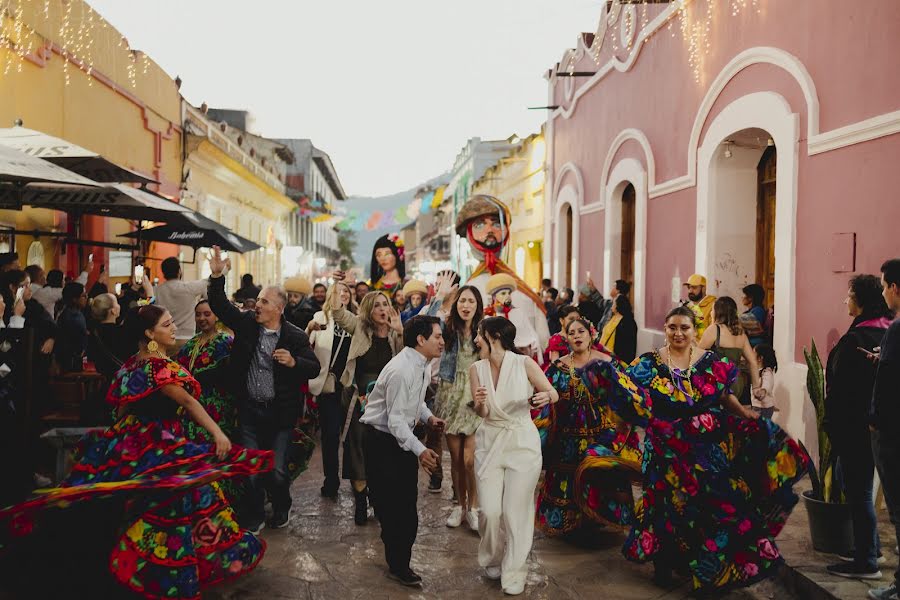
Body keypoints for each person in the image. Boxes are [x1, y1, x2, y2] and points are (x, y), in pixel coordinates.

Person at [0, 305, 273, 599]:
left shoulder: (133, 364)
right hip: (160, 443)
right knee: (174, 504)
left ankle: (121, 561)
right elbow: (189, 403)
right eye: (167, 325)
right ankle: (155, 569)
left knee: (130, 500)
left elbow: (122, 408)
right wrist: (218, 434)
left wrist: (119, 440)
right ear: (150, 333)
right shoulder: (159, 367)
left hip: (131, 441)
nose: (173, 329)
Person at [585, 306, 808, 592]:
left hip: (703, 448)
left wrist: (745, 415)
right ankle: (664, 565)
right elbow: (633, 400)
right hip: (663, 449)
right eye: (673, 327)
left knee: (709, 505)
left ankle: (704, 567)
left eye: (684, 328)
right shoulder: (648, 364)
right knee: (664, 507)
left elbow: (725, 397)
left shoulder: (710, 362)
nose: (678, 333)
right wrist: (616, 436)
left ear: (695, 330)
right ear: (665, 329)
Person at [207, 246, 320, 533]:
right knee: (251, 469)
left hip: (281, 415)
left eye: (264, 301)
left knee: (278, 470)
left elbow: (314, 367)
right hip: (250, 411)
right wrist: (217, 275)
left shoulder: (294, 335)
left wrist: (294, 362)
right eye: (257, 300)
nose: (257, 305)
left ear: (279, 309)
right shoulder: (247, 324)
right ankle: (255, 514)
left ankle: (282, 504)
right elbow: (220, 305)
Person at [469, 317, 557, 595]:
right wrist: (480, 404)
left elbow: (551, 392)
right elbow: (481, 413)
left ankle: (515, 572)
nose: (475, 340)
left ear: (493, 336)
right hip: (490, 441)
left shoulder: (525, 364)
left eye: (479, 335)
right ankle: (492, 558)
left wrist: (547, 397)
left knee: (515, 511)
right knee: (490, 511)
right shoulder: (475, 369)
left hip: (522, 441)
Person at [536, 318, 642, 538]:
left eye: (581, 331)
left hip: (602, 435)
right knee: (570, 473)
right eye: (571, 332)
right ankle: (572, 522)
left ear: (591, 334)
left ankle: (599, 519)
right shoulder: (557, 368)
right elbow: (544, 394)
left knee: (600, 472)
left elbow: (629, 394)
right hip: (567, 435)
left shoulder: (609, 363)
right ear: (566, 338)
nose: (576, 336)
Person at [360, 315, 446, 587]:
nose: (442, 341)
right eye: (437, 336)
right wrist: (421, 451)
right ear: (421, 340)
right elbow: (395, 421)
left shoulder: (420, 363)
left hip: (401, 438)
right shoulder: (401, 370)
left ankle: (399, 561)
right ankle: (398, 564)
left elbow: (415, 401)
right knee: (392, 507)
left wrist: (429, 417)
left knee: (406, 506)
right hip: (381, 441)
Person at [331, 289, 403, 525]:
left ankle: (379, 498)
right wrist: (336, 286)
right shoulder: (360, 328)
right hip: (359, 401)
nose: (383, 309)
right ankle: (361, 502)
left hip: (387, 404)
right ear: (369, 310)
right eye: (377, 306)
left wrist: (401, 332)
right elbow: (338, 313)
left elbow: (409, 360)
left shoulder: (397, 334)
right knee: (358, 451)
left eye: (385, 304)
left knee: (383, 453)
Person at [456, 195, 550, 352]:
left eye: (496, 223)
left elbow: (540, 338)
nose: (489, 230)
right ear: (469, 234)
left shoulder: (523, 292)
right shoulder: (469, 289)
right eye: (479, 225)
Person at [426, 277, 484, 531]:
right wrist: (439, 295)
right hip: (449, 395)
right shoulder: (447, 329)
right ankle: (460, 506)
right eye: (462, 300)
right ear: (456, 304)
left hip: (473, 396)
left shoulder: (484, 330)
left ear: (477, 305)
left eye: (471, 301)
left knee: (471, 460)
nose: (466, 305)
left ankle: (474, 507)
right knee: (457, 460)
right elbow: (426, 322)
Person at [866, 259, 900, 600]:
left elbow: (888, 382)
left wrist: (874, 419)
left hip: (892, 434)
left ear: (894, 288)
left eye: (883, 285)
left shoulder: (897, 329)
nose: (882, 292)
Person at [306, 281, 355, 499]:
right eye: (337, 291)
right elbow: (305, 347)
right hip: (328, 384)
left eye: (346, 291)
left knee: (353, 436)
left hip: (351, 385)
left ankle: (357, 480)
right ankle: (331, 479)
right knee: (330, 435)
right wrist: (309, 329)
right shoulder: (320, 317)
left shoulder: (356, 320)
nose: (342, 294)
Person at [175, 300, 237, 444]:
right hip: (191, 402)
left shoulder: (226, 341)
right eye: (198, 315)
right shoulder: (192, 342)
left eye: (207, 314)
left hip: (217, 404)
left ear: (217, 316)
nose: (202, 318)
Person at [697, 296, 762, 405]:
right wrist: (756, 387)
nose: (711, 312)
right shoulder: (741, 334)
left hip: (718, 383)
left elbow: (696, 356)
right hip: (737, 383)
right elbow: (753, 362)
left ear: (718, 312)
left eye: (713, 309)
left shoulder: (714, 330)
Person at [155, 256, 209, 355]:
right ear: (179, 271)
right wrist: (224, 269)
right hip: (187, 339)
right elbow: (209, 281)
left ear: (164, 273)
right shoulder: (189, 288)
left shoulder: (158, 290)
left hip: (165, 339)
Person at [484, 273, 540, 360]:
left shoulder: (518, 312)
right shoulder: (489, 316)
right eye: (503, 293)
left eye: (509, 293)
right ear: (494, 297)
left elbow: (531, 336)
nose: (507, 296)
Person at [54, 282, 89, 373]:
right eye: (83, 296)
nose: (86, 298)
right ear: (74, 299)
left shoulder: (74, 312)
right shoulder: (72, 316)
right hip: (71, 363)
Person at [599, 294, 638, 364]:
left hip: (617, 360)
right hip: (606, 356)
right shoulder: (615, 318)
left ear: (618, 305)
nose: (612, 305)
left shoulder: (627, 322)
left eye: (614, 303)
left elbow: (627, 346)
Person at [752, 343, 778, 420]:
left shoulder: (766, 372)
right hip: (758, 406)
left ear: (760, 358)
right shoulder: (757, 371)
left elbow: (767, 384)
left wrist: (763, 390)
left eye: (753, 353)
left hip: (762, 408)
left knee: (760, 428)